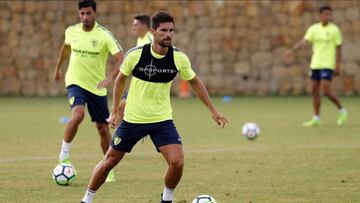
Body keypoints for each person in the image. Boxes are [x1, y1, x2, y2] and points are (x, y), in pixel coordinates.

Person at [80, 11, 228, 203]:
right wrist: (115, 111)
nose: (168, 35)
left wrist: (213, 110)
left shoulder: (178, 58)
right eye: (164, 30)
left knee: (177, 162)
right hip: (133, 120)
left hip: (162, 121)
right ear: (153, 31)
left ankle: (166, 199)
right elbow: (120, 80)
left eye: (171, 31)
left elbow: (195, 82)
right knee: (109, 161)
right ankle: (87, 199)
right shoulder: (135, 55)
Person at [54, 0, 123, 182]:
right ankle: (64, 153)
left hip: (97, 88)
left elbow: (121, 58)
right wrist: (58, 68)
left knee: (102, 128)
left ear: (95, 14)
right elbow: (66, 48)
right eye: (82, 13)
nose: (85, 17)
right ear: (79, 14)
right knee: (77, 115)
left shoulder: (104, 35)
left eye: (88, 13)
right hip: (75, 82)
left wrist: (110, 77)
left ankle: (108, 167)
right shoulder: (72, 31)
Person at [284, 5, 347, 127]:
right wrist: (291, 51)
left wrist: (338, 65)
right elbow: (304, 42)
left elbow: (338, 48)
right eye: (325, 14)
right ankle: (316, 118)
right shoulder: (314, 29)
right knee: (314, 90)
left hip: (328, 64)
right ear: (320, 15)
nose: (327, 17)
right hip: (315, 64)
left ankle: (342, 110)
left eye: (329, 14)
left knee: (326, 90)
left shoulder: (334, 30)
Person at [117, 14, 154, 122]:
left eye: (136, 25)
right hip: (137, 83)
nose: (133, 28)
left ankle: (121, 136)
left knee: (123, 107)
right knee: (122, 108)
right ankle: (121, 136)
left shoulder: (150, 39)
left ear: (144, 25)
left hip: (146, 85)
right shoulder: (140, 40)